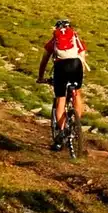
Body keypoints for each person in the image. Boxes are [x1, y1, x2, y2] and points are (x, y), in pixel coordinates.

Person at [37, 18, 89, 149]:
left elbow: (44, 61)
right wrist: (79, 75)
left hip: (61, 67)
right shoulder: (76, 39)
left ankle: (61, 133)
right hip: (76, 66)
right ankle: (76, 124)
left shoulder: (54, 41)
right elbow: (82, 57)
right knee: (77, 94)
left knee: (61, 99)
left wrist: (41, 77)